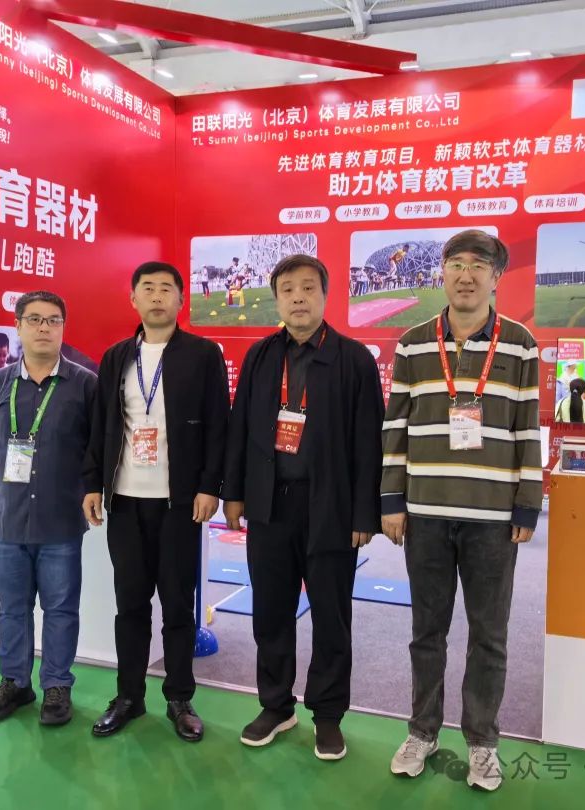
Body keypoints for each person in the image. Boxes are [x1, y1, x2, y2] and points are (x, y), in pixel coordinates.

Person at [381, 230, 541, 793]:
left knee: (489, 635)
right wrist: (392, 500)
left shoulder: (520, 344)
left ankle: (482, 742)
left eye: (478, 265)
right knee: (427, 632)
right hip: (425, 513)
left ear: (496, 277)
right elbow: (395, 427)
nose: (466, 275)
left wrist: (527, 503)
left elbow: (528, 428)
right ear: (442, 273)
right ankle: (422, 731)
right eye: (455, 264)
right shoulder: (412, 344)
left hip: (492, 518)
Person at [222, 254, 384, 761]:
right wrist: (234, 493)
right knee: (271, 611)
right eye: (288, 289)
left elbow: (369, 444)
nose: (297, 297)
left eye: (308, 288)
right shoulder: (260, 356)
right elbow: (240, 428)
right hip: (270, 505)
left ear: (325, 295)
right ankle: (276, 705)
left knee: (332, 616)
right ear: (276, 299)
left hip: (331, 507)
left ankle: (328, 715)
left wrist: (364, 515)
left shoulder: (353, 359)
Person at [83, 262, 230, 744]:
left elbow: (219, 424)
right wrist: (92, 484)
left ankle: (179, 697)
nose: (157, 296)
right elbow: (101, 427)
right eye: (147, 288)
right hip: (125, 501)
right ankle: (128, 696)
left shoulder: (202, 355)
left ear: (181, 300)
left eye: (167, 288)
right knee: (130, 605)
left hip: (179, 503)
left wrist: (210, 486)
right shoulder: (116, 357)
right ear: (134, 299)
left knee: (177, 605)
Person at [0, 291, 97, 727]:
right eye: (34, 319)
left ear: (63, 327)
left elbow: (93, 448)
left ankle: (57, 686)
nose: (44, 328)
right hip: (7, 518)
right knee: (12, 608)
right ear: (18, 326)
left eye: (53, 320)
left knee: (61, 609)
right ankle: (15, 682)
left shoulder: (85, 385)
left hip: (60, 519)